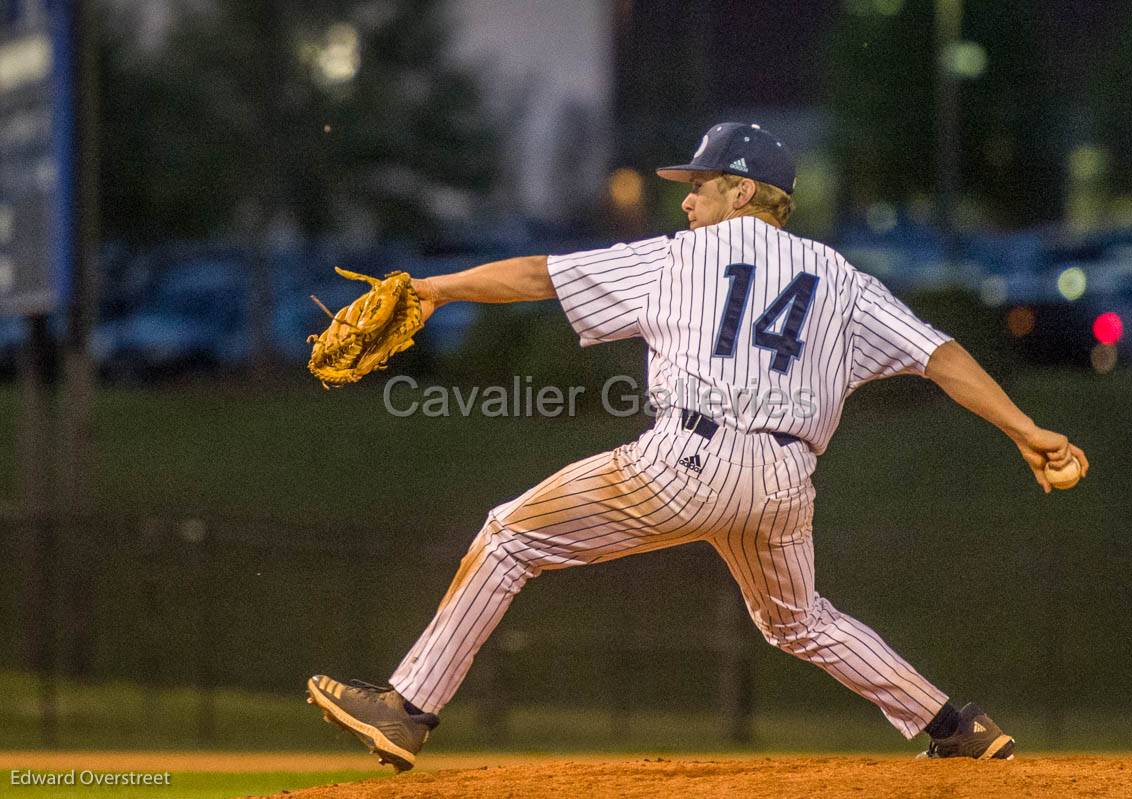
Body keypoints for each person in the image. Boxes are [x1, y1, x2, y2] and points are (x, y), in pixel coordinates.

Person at [305, 122, 1088, 770]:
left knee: (510, 536)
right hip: (785, 480)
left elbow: (542, 277)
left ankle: (407, 709)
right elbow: (939, 356)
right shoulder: (841, 277)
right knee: (798, 619)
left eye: (700, 185)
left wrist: (436, 289)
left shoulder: (682, 256)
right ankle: (956, 726)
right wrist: (1027, 429)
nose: (685, 201)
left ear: (742, 192)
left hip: (688, 458)